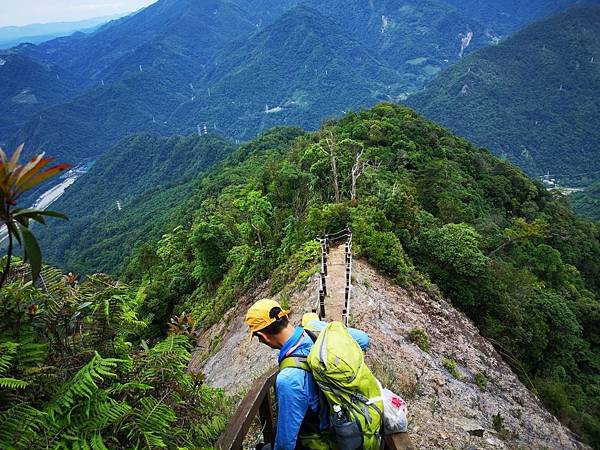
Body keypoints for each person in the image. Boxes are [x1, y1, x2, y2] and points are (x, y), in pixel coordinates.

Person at [245, 299, 369, 450]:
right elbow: (363, 339)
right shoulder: (315, 333)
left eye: (258, 338)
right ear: (285, 318)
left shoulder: (288, 379)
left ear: (263, 336)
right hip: (352, 421)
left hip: (324, 440)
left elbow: (285, 445)